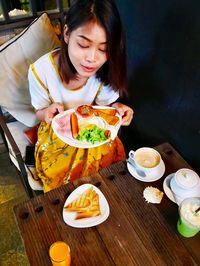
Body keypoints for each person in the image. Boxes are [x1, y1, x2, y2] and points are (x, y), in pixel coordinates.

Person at [28, 0, 134, 192]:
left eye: (103, 49)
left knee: (109, 179)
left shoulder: (106, 69)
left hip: (92, 128)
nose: (92, 58)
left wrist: (117, 110)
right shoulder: (41, 71)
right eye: (83, 44)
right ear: (67, 33)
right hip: (57, 134)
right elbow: (39, 112)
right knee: (64, 184)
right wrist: (47, 112)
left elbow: (106, 108)